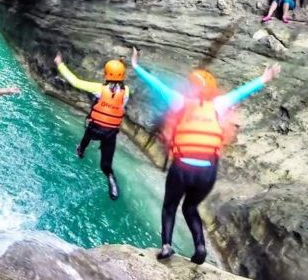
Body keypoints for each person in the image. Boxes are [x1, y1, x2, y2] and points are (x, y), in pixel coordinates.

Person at [130, 47, 281, 265]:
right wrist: (265, 78)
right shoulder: (220, 104)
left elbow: (155, 84)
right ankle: (200, 246)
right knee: (190, 207)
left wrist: (135, 66)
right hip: (207, 172)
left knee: (170, 207)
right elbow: (243, 91)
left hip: (182, 167)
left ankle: (166, 246)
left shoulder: (179, 100)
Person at [53, 52, 129, 200]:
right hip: (110, 133)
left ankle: (81, 150)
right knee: (105, 165)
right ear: (123, 76)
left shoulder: (99, 88)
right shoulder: (126, 92)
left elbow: (75, 81)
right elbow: (118, 82)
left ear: (105, 74)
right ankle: (111, 180)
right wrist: (120, 64)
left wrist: (59, 63)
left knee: (87, 136)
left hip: (95, 128)